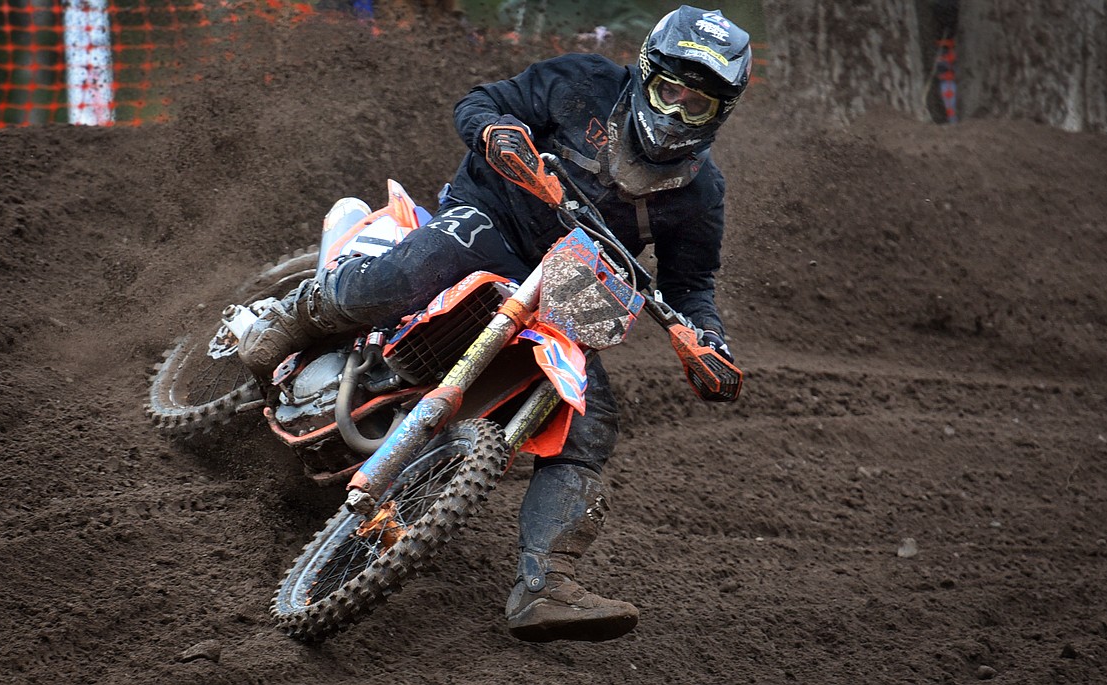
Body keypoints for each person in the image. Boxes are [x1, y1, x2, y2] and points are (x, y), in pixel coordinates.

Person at [238, 4, 751, 642]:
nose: (675, 113)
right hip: (490, 220)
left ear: (719, 114)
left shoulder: (699, 194)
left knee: (590, 425)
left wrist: (708, 341)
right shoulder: (584, 83)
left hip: (569, 285)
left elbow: (690, 286)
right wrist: (498, 135)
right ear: (644, 74)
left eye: (696, 105)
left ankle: (545, 583)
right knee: (404, 278)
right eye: (667, 91)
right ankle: (288, 319)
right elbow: (479, 102)